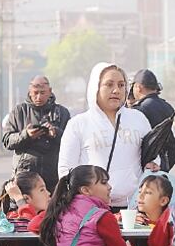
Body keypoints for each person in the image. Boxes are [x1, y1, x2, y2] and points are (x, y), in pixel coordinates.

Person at [57, 63, 157, 209]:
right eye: (109, 84)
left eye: (121, 85)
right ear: (95, 88)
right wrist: (79, 202)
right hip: (92, 209)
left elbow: (153, 155)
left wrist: (153, 163)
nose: (116, 90)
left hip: (134, 208)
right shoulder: (78, 124)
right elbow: (66, 170)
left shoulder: (138, 119)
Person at [2, 75, 71, 190]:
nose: (38, 97)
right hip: (25, 175)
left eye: (43, 93)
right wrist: (26, 135)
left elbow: (71, 142)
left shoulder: (62, 113)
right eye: (35, 93)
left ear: (50, 92)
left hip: (53, 177)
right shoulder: (19, 112)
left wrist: (55, 133)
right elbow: (7, 141)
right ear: (29, 92)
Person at [131, 69, 175, 171]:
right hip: (162, 163)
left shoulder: (139, 110)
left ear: (138, 87)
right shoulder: (167, 106)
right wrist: (162, 170)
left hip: (146, 167)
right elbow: (173, 150)